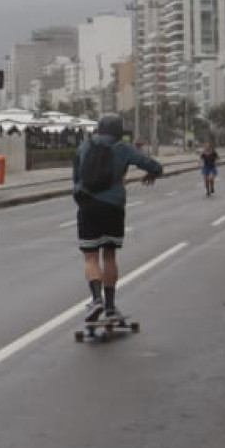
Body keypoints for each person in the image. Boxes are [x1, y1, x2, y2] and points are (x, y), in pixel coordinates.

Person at [72, 115, 163, 323]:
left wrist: (83, 202)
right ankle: (111, 306)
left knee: (91, 257)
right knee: (109, 256)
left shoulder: (83, 147)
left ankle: (96, 300)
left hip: (88, 207)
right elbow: (154, 166)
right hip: (113, 207)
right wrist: (151, 175)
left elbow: (76, 180)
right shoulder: (123, 148)